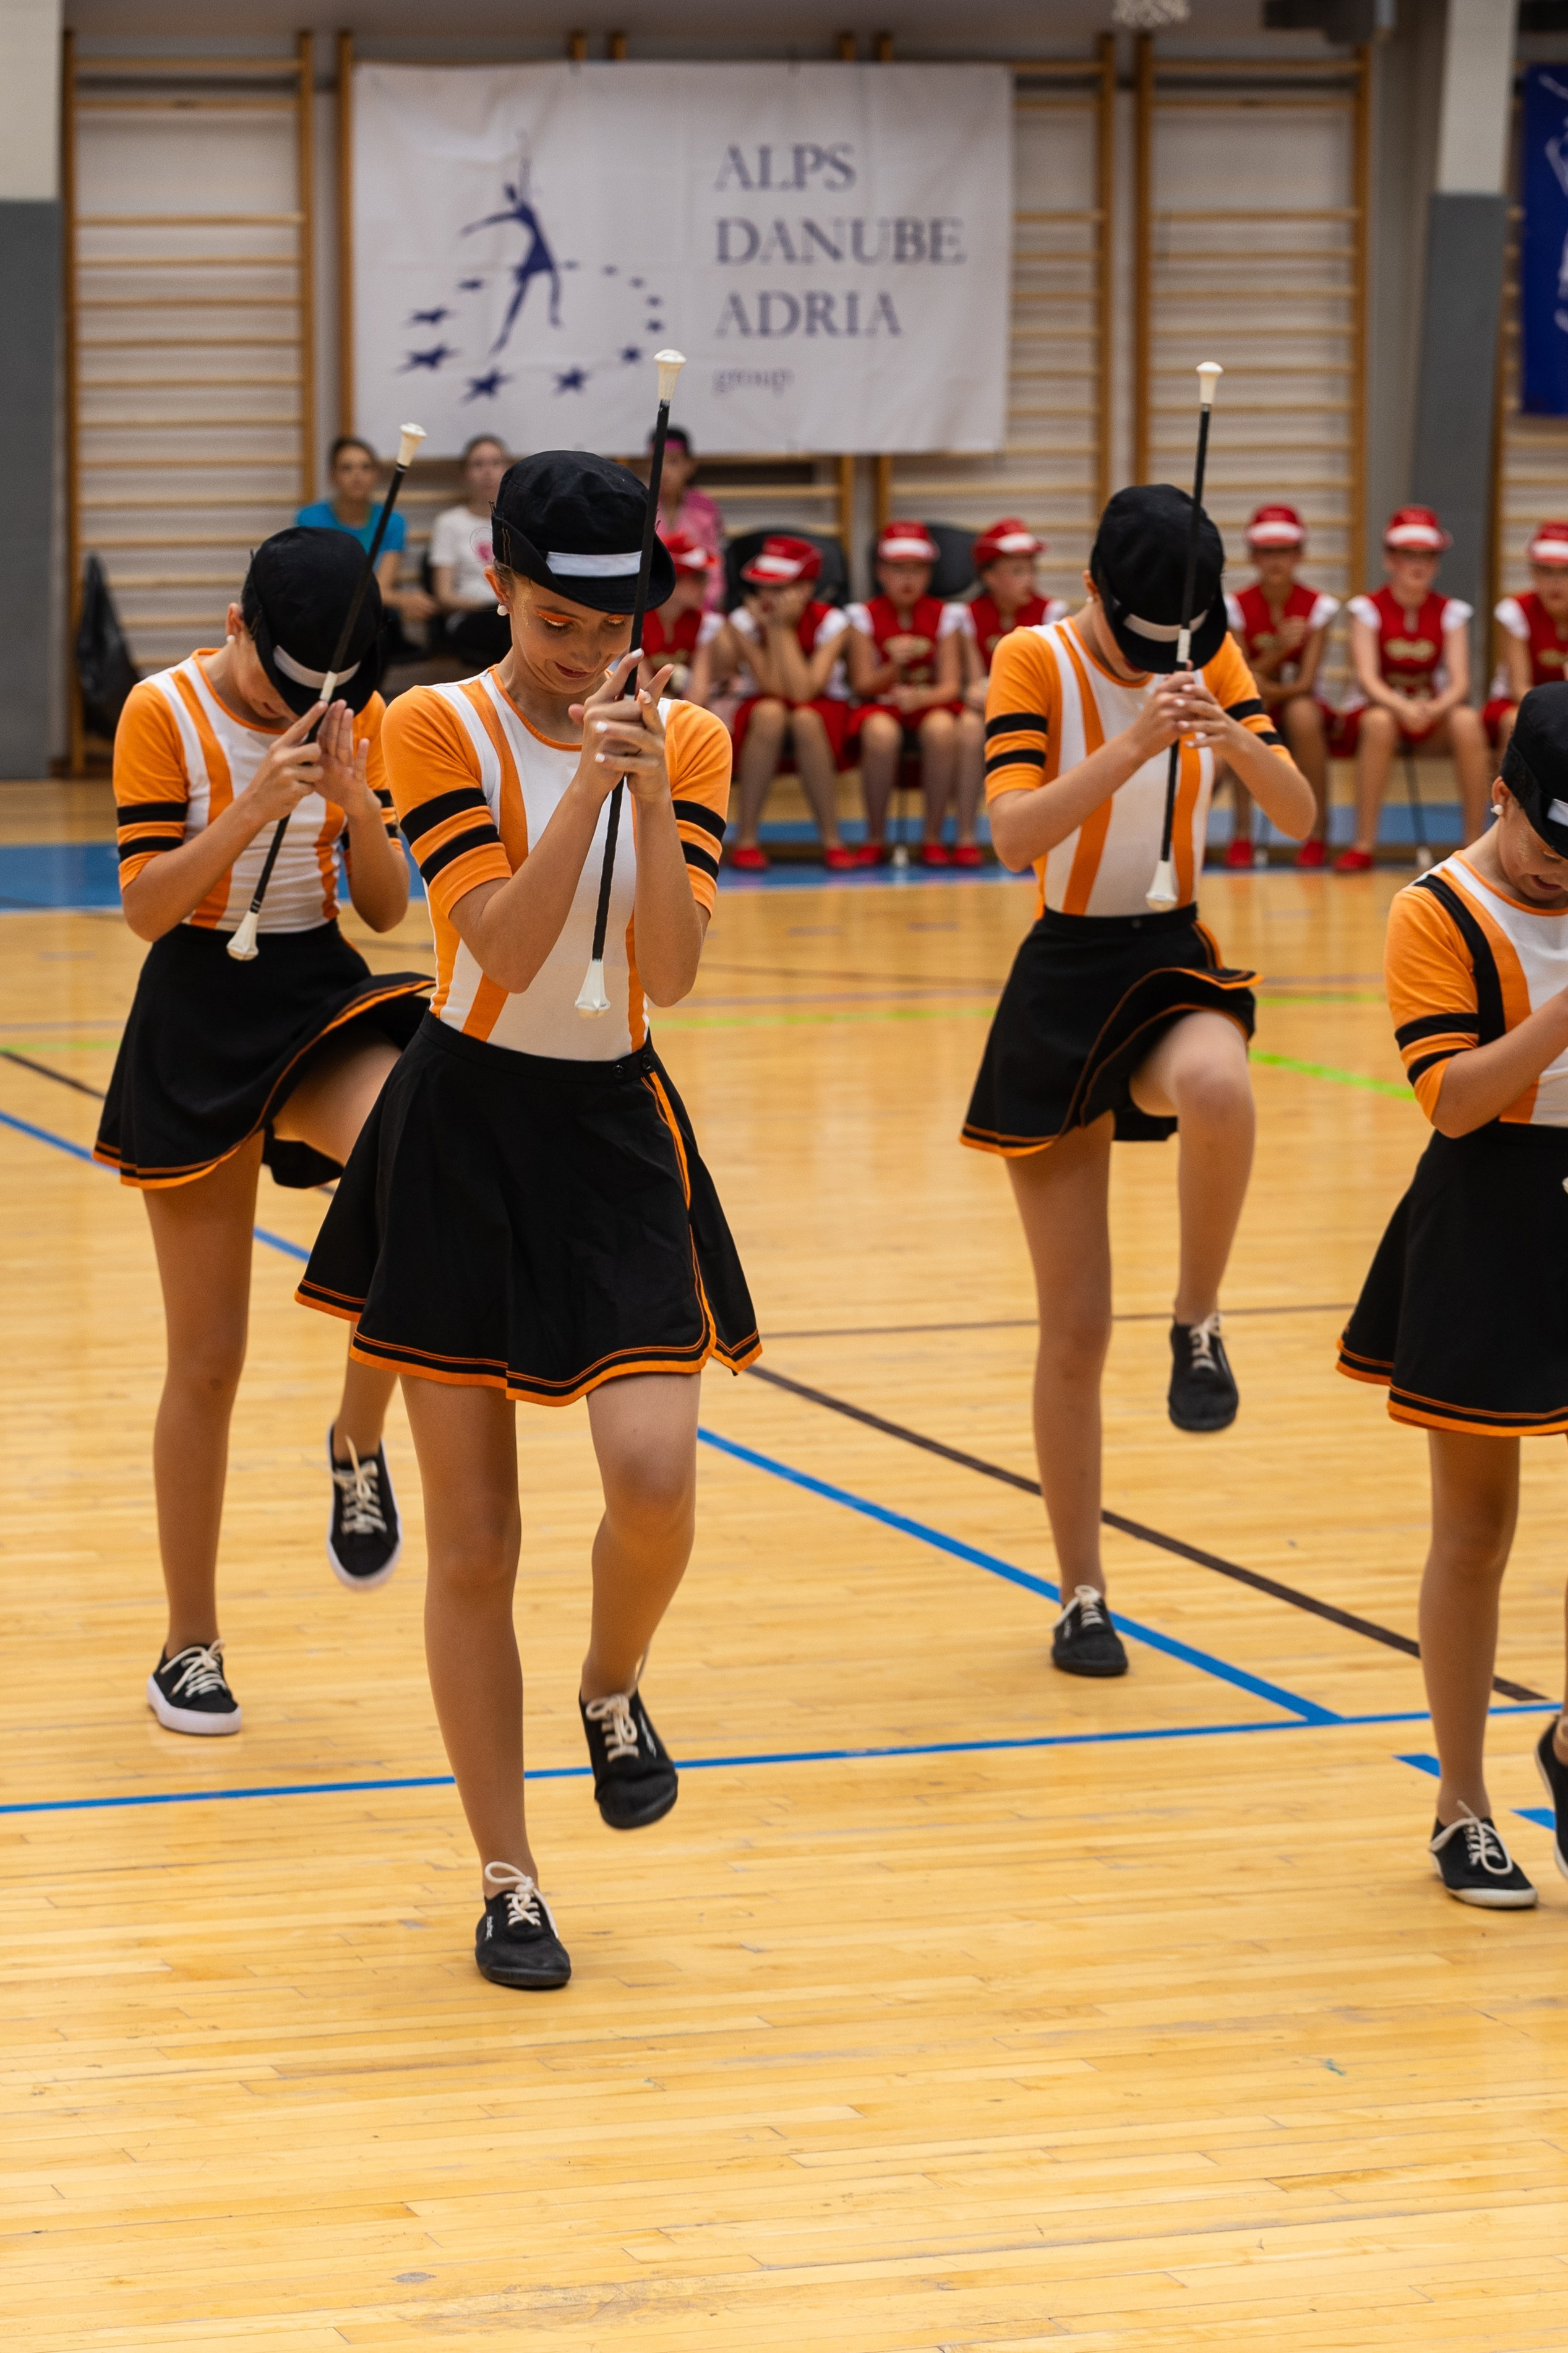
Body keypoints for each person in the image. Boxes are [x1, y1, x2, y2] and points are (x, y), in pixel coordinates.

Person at [296, 450, 760, 1992]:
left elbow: (674, 974)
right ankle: (507, 1876)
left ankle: (612, 1683)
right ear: (500, 586)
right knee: (477, 1540)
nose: (586, 654)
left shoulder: (686, 737)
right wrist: (576, 796)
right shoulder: (435, 723)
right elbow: (487, 939)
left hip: (615, 1122)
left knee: (655, 1477)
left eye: (611, 626)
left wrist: (636, 773)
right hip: (466, 1126)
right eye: (560, 622)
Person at [961, 484, 1313, 1677]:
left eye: (1190, 628)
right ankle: (1081, 1591)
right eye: (1147, 630)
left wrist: (1229, 732)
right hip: (1063, 974)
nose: (1171, 648)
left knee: (1220, 1083)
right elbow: (1012, 835)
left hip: (1169, 953)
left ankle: (1200, 1318)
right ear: (1097, 594)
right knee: (1074, 1327)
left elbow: (1302, 815)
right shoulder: (1034, 657)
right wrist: (1128, 747)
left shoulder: (1208, 647)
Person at [95, 530, 433, 1737]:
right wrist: (252, 808)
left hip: (310, 992)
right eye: (286, 689)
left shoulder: (358, 709)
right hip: (194, 1005)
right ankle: (189, 1642)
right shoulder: (162, 709)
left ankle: (355, 1439)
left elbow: (388, 906)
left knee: (425, 1168)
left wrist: (357, 805)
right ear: (237, 623)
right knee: (210, 1357)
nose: (307, 709)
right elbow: (143, 907)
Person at [1337, 682, 1568, 1908]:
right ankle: (1462, 1803)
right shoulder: (1433, 911)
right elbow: (1456, 1100)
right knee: (1474, 1531)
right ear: (1500, 794)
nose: (1559, 869)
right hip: (1487, 1214)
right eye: (1548, 840)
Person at [1332, 505, 1488, 874]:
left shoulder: (1453, 613)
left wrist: (1432, 710)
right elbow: (1368, 679)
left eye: (1427, 556)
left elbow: (1461, 682)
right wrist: (1404, 708)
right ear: (1389, 559)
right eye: (1408, 555)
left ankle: (1475, 845)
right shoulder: (1365, 610)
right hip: (1378, 712)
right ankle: (1364, 843)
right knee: (1381, 721)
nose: (1418, 565)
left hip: (1429, 713)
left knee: (1466, 720)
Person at [715, 536, 856, 872]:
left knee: (806, 717)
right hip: (763, 704)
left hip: (823, 708)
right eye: (763, 586)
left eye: (779, 588)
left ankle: (831, 838)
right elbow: (773, 688)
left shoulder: (834, 622)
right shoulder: (741, 622)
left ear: (806, 589)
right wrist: (778, 628)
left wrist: (779, 630)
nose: (767, 596)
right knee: (769, 712)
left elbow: (805, 692)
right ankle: (746, 837)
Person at [846, 521, 978, 867]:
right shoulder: (862, 617)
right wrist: (892, 666)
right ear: (880, 572)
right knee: (879, 734)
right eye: (898, 569)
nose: (908, 579)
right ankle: (875, 836)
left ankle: (932, 836)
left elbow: (951, 685)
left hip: (929, 702)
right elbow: (862, 684)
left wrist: (919, 699)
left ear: (930, 573)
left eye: (917, 570)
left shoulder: (947, 616)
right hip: (880, 704)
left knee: (942, 730)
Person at [1219, 504, 1338, 869]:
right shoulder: (1234, 606)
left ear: (1299, 555)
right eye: (1267, 551)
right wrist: (1281, 651)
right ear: (1252, 556)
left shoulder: (1319, 607)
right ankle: (1241, 832)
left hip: (1293, 702)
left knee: (1303, 715)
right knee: (1244, 718)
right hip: (1255, 701)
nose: (1276, 561)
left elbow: (1305, 684)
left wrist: (1262, 682)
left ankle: (1318, 832)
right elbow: (1240, 677)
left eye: (1284, 551)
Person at [949, 519, 1068, 868]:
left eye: (1032, 570)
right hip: (986, 705)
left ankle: (1041, 834)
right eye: (1018, 571)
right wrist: (979, 693)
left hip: (1037, 706)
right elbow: (974, 682)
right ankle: (966, 835)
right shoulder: (965, 616)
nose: (1029, 579)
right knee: (970, 730)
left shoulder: (1051, 614)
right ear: (989, 578)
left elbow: (1054, 677)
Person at [298, 435, 436, 649]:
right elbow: (320, 587)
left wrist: (395, 598)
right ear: (332, 476)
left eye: (365, 467)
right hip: (326, 617)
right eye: (347, 468)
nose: (357, 476)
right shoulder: (309, 519)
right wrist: (402, 600)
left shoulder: (392, 521)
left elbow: (381, 589)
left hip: (376, 619)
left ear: (376, 475)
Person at [1483, 520, 1568, 757]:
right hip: (1516, 703)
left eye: (1565, 572)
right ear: (1533, 573)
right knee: (1515, 721)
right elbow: (1519, 687)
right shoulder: (1515, 612)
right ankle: (1509, 793)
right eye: (1547, 571)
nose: (1556, 582)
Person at [429, 433, 512, 671]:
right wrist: (493, 605)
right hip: (470, 617)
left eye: (496, 463)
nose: (488, 472)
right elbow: (443, 595)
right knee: (507, 626)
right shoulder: (449, 523)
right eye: (478, 464)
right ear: (465, 474)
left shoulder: (520, 522)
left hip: (514, 612)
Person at [641, 528, 725, 697]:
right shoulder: (634, 623)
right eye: (699, 577)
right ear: (673, 579)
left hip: (673, 707)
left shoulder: (703, 623)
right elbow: (644, 693)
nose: (707, 584)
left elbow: (699, 694)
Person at [651, 426, 724, 606]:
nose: (663, 471)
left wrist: (706, 603)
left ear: (690, 466)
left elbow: (714, 568)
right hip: (654, 601)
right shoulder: (641, 504)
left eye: (673, 462)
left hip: (697, 602)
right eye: (656, 462)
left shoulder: (705, 507)